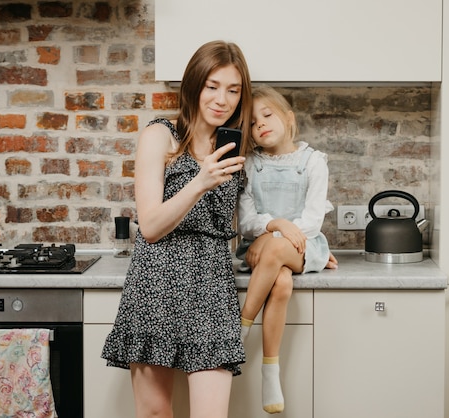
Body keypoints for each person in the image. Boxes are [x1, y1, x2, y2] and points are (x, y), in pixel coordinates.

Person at [101, 40, 253, 418]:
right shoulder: (160, 136)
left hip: (211, 283)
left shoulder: (232, 148)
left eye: (233, 90)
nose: (223, 99)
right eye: (212, 86)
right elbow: (150, 226)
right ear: (193, 86)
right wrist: (200, 181)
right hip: (158, 279)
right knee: (154, 413)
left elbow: (241, 220)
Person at [236, 84, 337, 414]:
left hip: (301, 245)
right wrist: (273, 228)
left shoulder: (313, 161)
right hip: (263, 250)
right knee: (280, 283)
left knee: (278, 252)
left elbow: (311, 221)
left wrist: (274, 236)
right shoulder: (251, 164)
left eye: (267, 115)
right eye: (251, 122)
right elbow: (248, 218)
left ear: (288, 118)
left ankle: (240, 331)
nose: (260, 124)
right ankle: (270, 372)